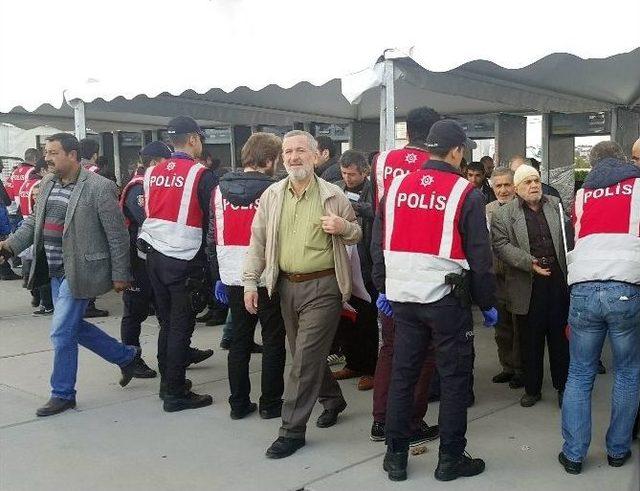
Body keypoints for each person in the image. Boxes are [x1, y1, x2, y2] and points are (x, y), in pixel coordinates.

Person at [373, 120, 497, 482]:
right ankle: (450, 460)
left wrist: (383, 288)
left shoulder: (395, 188)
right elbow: (480, 255)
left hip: (403, 299)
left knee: (404, 375)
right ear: (457, 151)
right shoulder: (465, 192)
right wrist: (486, 301)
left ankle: (395, 457)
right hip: (446, 300)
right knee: (455, 378)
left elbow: (377, 244)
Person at [0, 133, 139, 417]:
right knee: (72, 327)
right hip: (52, 270)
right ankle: (126, 356)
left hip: (80, 270)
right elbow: (32, 224)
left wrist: (120, 273)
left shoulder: (100, 187)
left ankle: (63, 393)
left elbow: (117, 235)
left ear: (73, 155)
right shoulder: (48, 182)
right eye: (46, 152)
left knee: (62, 332)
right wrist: (9, 247)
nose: (47, 158)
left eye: (53, 152)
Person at [242, 130, 362, 459]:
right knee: (303, 354)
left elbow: (356, 233)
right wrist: (250, 282)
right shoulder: (272, 195)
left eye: (300, 151)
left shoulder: (334, 194)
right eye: (288, 152)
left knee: (304, 359)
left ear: (315, 156)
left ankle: (291, 430)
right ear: (282, 157)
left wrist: (342, 227)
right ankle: (333, 399)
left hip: (323, 286)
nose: (293, 157)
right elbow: (257, 241)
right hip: (284, 286)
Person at [557, 155, 640, 474]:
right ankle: (618, 450)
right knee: (628, 371)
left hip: (584, 287)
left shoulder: (582, 193)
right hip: (626, 287)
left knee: (579, 372)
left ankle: (574, 454)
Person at [370, 106, 441, 447]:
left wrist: (378, 274)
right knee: (424, 350)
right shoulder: (438, 167)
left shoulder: (382, 162)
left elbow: (378, 218)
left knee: (391, 346)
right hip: (424, 265)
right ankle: (410, 419)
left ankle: (381, 419)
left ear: (408, 131)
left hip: (386, 258)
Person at [138, 116, 217, 412]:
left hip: (154, 257)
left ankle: (168, 385)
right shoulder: (201, 174)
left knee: (167, 323)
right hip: (184, 258)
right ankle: (174, 392)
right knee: (181, 327)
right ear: (194, 139)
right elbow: (212, 221)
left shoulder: (152, 172)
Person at [208, 132, 286, 420]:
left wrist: (216, 274)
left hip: (231, 273)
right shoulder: (277, 190)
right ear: (269, 160)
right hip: (268, 273)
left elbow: (212, 234)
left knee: (239, 340)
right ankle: (270, 403)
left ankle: (238, 404)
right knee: (274, 339)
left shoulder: (218, 190)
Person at [492, 164, 570, 409]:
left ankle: (563, 387)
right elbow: (501, 245)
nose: (534, 185)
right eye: (527, 182)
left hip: (556, 281)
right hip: (528, 282)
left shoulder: (555, 204)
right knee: (530, 339)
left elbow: (568, 237)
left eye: (536, 180)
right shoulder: (503, 215)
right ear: (517, 189)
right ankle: (532, 388)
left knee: (560, 338)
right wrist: (529, 262)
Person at [332, 150, 378, 391]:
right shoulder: (336, 189)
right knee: (347, 317)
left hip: (366, 263)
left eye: (352, 174)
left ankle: (371, 368)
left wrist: (362, 208)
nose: (348, 179)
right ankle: (353, 362)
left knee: (367, 320)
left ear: (365, 172)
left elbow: (380, 216)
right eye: (344, 174)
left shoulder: (375, 192)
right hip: (343, 262)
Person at [486, 169, 522, 388]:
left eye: (507, 185)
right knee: (502, 327)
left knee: (520, 327)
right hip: (495, 276)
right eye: (498, 186)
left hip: (518, 276)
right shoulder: (487, 209)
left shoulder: (523, 208)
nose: (503, 190)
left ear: (515, 186)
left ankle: (521, 369)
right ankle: (507, 367)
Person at [17, 157, 54, 315]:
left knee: (38, 273)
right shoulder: (35, 185)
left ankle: (45, 303)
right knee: (29, 271)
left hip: (40, 242)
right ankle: (39, 298)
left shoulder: (28, 184)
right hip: (30, 237)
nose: (35, 197)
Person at [78, 137, 110, 318]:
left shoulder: (74, 171)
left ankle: (84, 302)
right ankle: (89, 304)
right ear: (95, 154)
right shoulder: (100, 173)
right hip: (96, 223)